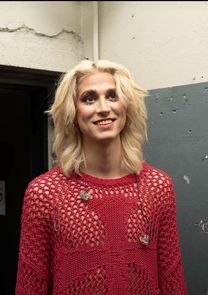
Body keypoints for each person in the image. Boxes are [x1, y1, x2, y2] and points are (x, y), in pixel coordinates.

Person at [16, 59, 188, 294]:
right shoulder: (44, 193)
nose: (103, 108)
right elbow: (30, 286)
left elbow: (172, 280)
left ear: (127, 106)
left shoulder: (157, 186)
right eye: (89, 98)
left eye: (113, 96)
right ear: (73, 113)